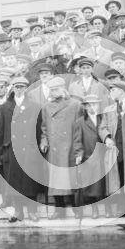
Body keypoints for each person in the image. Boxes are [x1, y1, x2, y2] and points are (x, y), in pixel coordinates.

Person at [0, 76, 43, 222]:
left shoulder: (34, 106)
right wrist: (2, 150)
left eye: (22, 87)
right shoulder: (5, 107)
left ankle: (32, 211)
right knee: (14, 182)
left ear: (26, 88)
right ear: (12, 88)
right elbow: (0, 130)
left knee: (29, 181)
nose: (19, 89)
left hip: (29, 149)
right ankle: (18, 211)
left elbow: (39, 129)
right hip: (11, 149)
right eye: (16, 87)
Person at [39, 77, 81, 219]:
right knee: (56, 177)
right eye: (51, 90)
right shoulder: (46, 107)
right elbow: (44, 128)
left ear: (63, 88)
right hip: (54, 147)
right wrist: (43, 141)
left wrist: (77, 146)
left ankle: (76, 208)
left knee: (72, 177)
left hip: (70, 144)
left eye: (55, 89)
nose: (53, 92)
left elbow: (79, 127)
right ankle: (59, 208)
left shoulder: (75, 105)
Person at [99, 80, 125, 216]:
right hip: (116, 149)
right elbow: (102, 127)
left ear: (121, 90)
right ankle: (122, 207)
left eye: (113, 90)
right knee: (119, 178)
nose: (110, 93)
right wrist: (107, 138)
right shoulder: (109, 109)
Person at [72, 94, 107, 218]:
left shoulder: (103, 119)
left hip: (103, 157)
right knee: (91, 185)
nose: (93, 107)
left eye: (95, 104)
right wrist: (79, 154)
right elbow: (77, 140)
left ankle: (106, 208)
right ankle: (94, 209)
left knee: (104, 184)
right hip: (88, 156)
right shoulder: (80, 122)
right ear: (86, 107)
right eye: (90, 105)